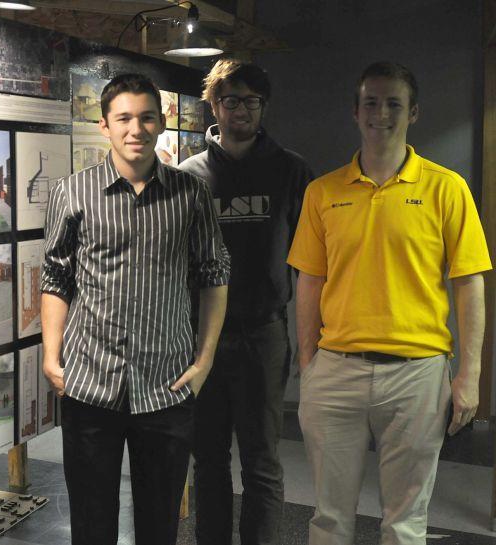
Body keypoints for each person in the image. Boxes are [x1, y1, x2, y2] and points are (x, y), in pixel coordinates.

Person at [287, 61, 492, 545]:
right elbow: (309, 280)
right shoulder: (324, 192)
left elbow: (469, 284)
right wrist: (308, 361)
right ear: (355, 112)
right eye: (371, 103)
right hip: (337, 371)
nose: (382, 113)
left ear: (414, 112)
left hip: (417, 374)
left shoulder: (447, 189)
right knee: (328, 518)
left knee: (404, 522)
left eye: (393, 103)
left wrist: (470, 376)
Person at [41, 73, 230, 545]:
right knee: (90, 521)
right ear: (104, 125)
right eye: (123, 117)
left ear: (162, 122)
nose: (136, 129)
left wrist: (204, 360)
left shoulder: (191, 195)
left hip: (166, 385)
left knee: (159, 522)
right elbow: (55, 277)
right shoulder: (72, 192)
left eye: (146, 117)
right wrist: (50, 356)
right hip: (90, 382)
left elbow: (214, 275)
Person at [178, 59, 313, 545]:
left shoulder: (291, 171)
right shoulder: (187, 176)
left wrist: (308, 339)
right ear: (213, 105)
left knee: (262, 461)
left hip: (265, 333)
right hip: (201, 342)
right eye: (230, 100)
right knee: (208, 458)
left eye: (251, 101)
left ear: (263, 106)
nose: (241, 110)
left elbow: (312, 263)